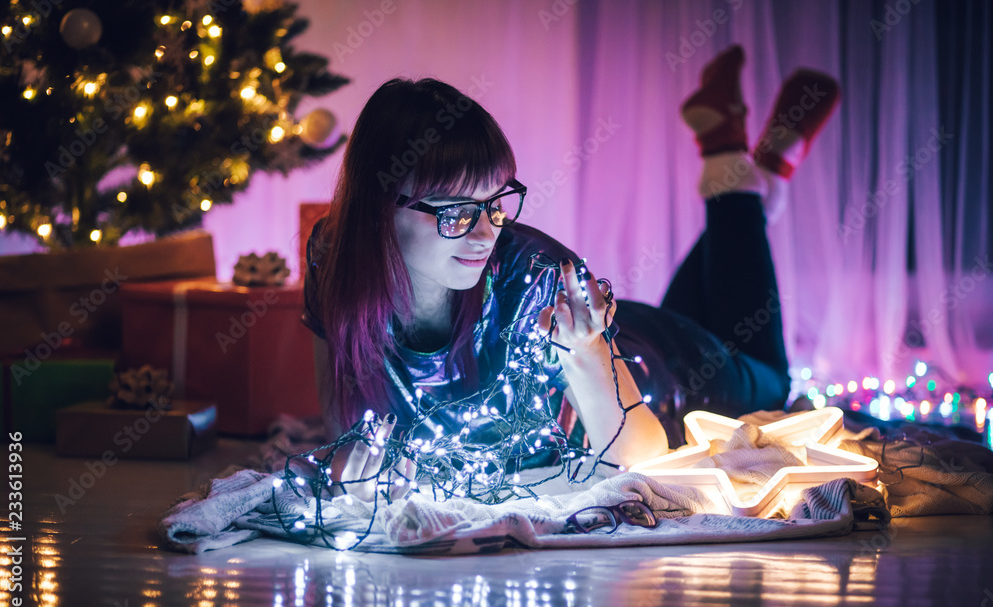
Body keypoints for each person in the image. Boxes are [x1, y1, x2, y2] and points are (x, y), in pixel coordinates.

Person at [303, 45, 840, 500]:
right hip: (633, 330)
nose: (486, 233)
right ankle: (757, 173)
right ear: (378, 206)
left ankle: (740, 165)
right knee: (730, 273)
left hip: (672, 370)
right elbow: (341, 418)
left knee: (772, 380)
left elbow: (641, 456)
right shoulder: (334, 260)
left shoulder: (539, 277)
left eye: (495, 204)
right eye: (456, 211)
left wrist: (585, 355)